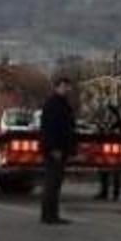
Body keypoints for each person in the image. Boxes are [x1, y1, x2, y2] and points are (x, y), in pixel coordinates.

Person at [39, 77, 76, 225]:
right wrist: (54, 148)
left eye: (68, 86)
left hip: (61, 149)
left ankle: (51, 214)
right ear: (57, 87)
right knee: (52, 183)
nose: (67, 89)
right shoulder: (53, 104)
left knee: (55, 183)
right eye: (64, 86)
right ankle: (49, 216)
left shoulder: (63, 104)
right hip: (54, 150)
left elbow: (68, 127)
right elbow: (50, 129)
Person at [94, 103, 121, 201]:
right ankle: (104, 192)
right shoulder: (105, 124)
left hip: (115, 150)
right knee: (103, 171)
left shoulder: (120, 124)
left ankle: (115, 193)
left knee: (115, 171)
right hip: (105, 149)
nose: (108, 116)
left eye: (109, 114)